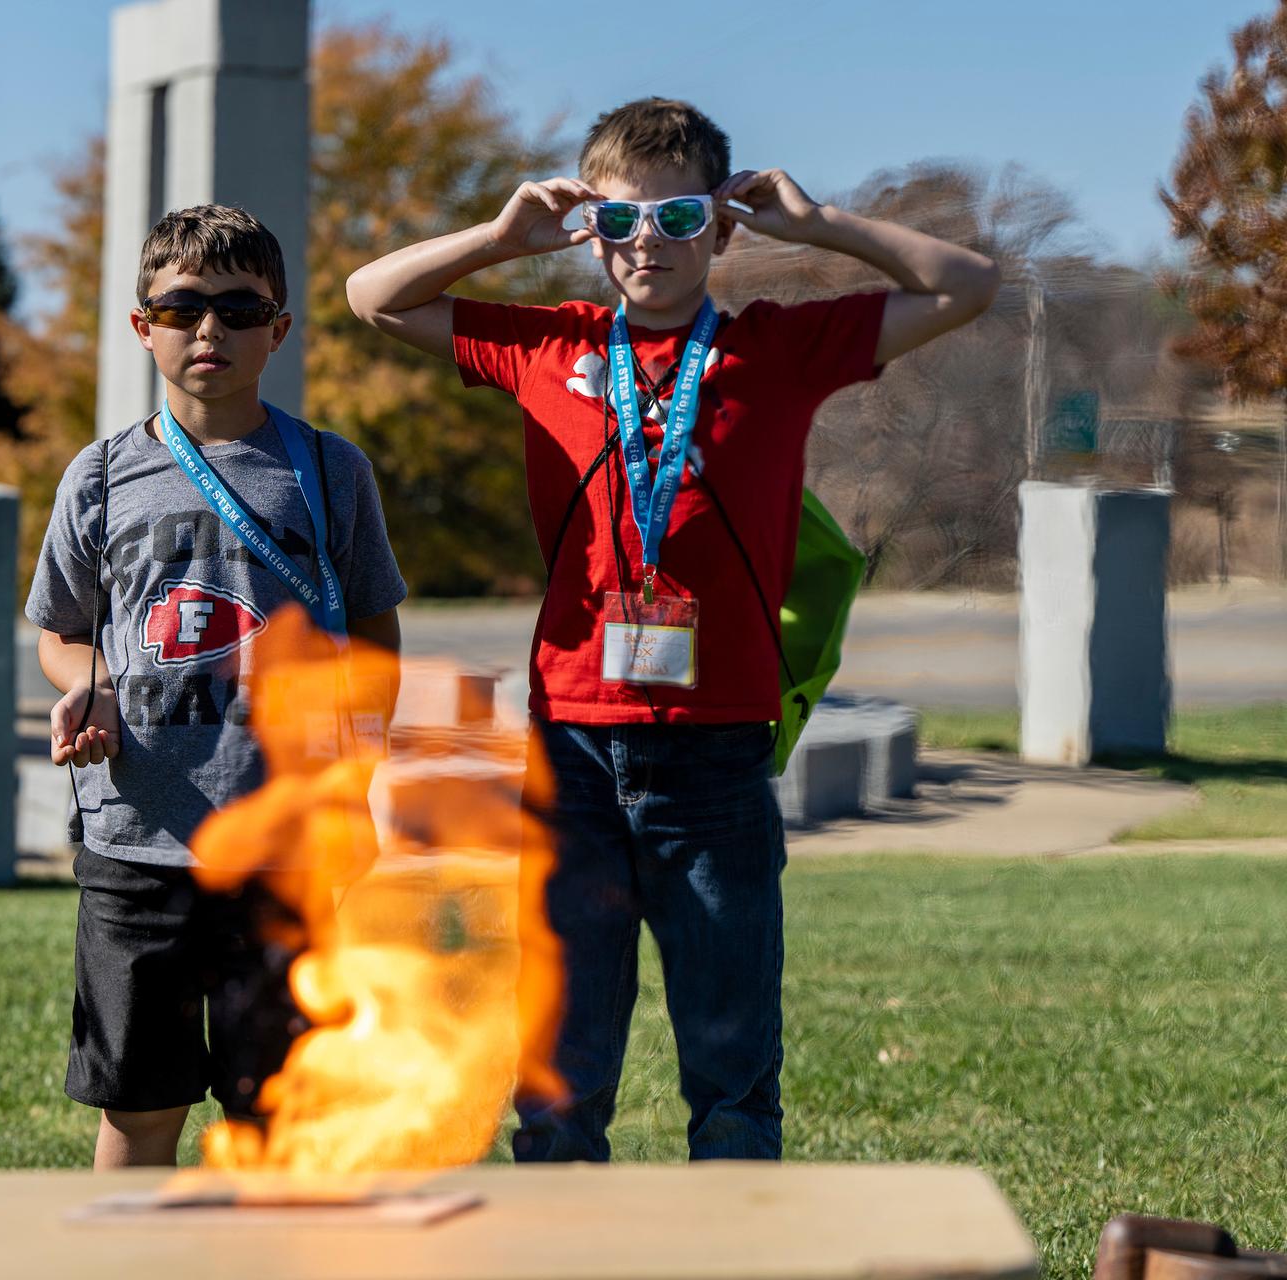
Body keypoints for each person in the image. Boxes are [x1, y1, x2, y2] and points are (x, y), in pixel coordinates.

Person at [345, 97, 998, 1160]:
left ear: (722, 230)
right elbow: (372, 296)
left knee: (735, 1080)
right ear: (590, 233)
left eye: (679, 218)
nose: (647, 240)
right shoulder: (543, 346)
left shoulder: (778, 351)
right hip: (572, 750)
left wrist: (821, 222)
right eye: (619, 221)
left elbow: (967, 284)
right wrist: (503, 239)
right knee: (560, 1084)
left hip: (715, 753)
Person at [27, 204, 408, 1168]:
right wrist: (92, 682)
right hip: (136, 842)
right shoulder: (102, 474)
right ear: (141, 326)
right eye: (184, 306)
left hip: (287, 848)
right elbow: (60, 631)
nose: (210, 332)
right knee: (139, 1107)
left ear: (279, 329)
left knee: (275, 1114)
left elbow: (374, 633)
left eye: (240, 310)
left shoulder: (328, 469)